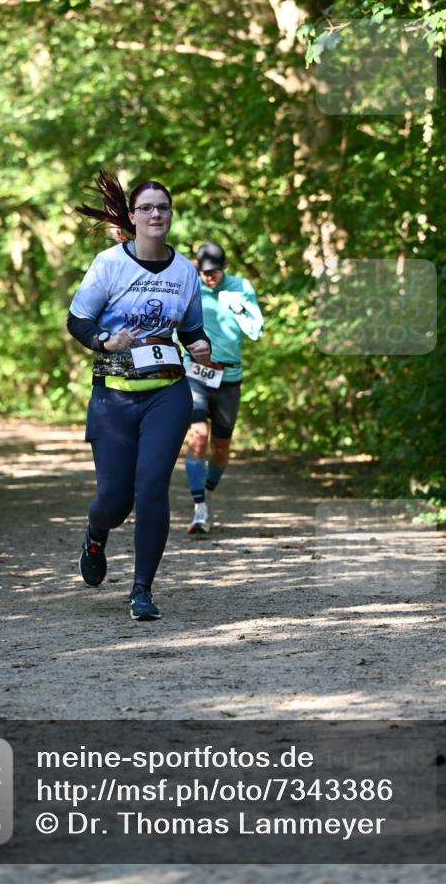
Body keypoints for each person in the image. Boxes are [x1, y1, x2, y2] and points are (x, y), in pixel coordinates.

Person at [67, 171, 211, 621]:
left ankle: (142, 590)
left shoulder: (185, 271)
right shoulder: (109, 264)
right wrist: (105, 340)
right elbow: (78, 322)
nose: (155, 214)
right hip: (114, 397)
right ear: (132, 217)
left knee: (151, 488)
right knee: (115, 500)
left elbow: (190, 329)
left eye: (162, 208)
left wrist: (200, 344)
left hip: (167, 394)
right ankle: (95, 531)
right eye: (146, 207)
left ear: (171, 216)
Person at [183, 242, 263, 534]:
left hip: (229, 379)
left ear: (223, 267)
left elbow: (256, 331)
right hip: (195, 375)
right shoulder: (190, 286)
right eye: (204, 272)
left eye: (214, 272)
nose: (209, 278)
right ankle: (199, 509)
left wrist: (239, 308)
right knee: (199, 437)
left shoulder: (240, 286)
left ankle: (208, 490)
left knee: (220, 448)